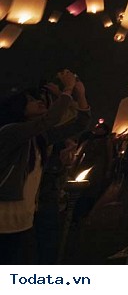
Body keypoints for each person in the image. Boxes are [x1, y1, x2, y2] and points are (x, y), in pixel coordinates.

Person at [0, 70, 91, 263]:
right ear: (18, 107)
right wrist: (67, 89)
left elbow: (79, 124)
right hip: (4, 217)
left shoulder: (40, 137)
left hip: (25, 218)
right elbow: (49, 120)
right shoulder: (10, 132)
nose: (40, 101)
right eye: (33, 100)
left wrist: (80, 95)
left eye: (41, 98)